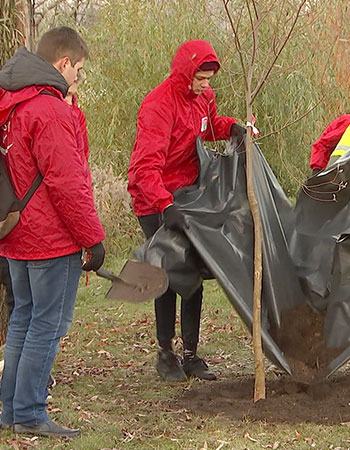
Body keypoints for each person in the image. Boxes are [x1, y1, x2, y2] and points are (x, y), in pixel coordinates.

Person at [0, 27, 106, 438]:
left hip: (16, 236)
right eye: (77, 68)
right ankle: (28, 412)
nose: (78, 76)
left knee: (24, 319)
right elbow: (67, 183)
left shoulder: (9, 102)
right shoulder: (51, 111)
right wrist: (92, 238)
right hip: (49, 240)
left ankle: (12, 409)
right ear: (63, 64)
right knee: (48, 324)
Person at [127, 40, 242, 383]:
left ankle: (191, 353)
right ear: (186, 72)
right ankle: (166, 352)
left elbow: (209, 126)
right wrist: (165, 205)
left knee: (193, 271)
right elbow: (143, 168)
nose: (207, 85)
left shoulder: (203, 98)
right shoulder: (158, 105)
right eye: (201, 79)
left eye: (209, 79)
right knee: (167, 272)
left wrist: (231, 127)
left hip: (189, 195)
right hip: (155, 197)